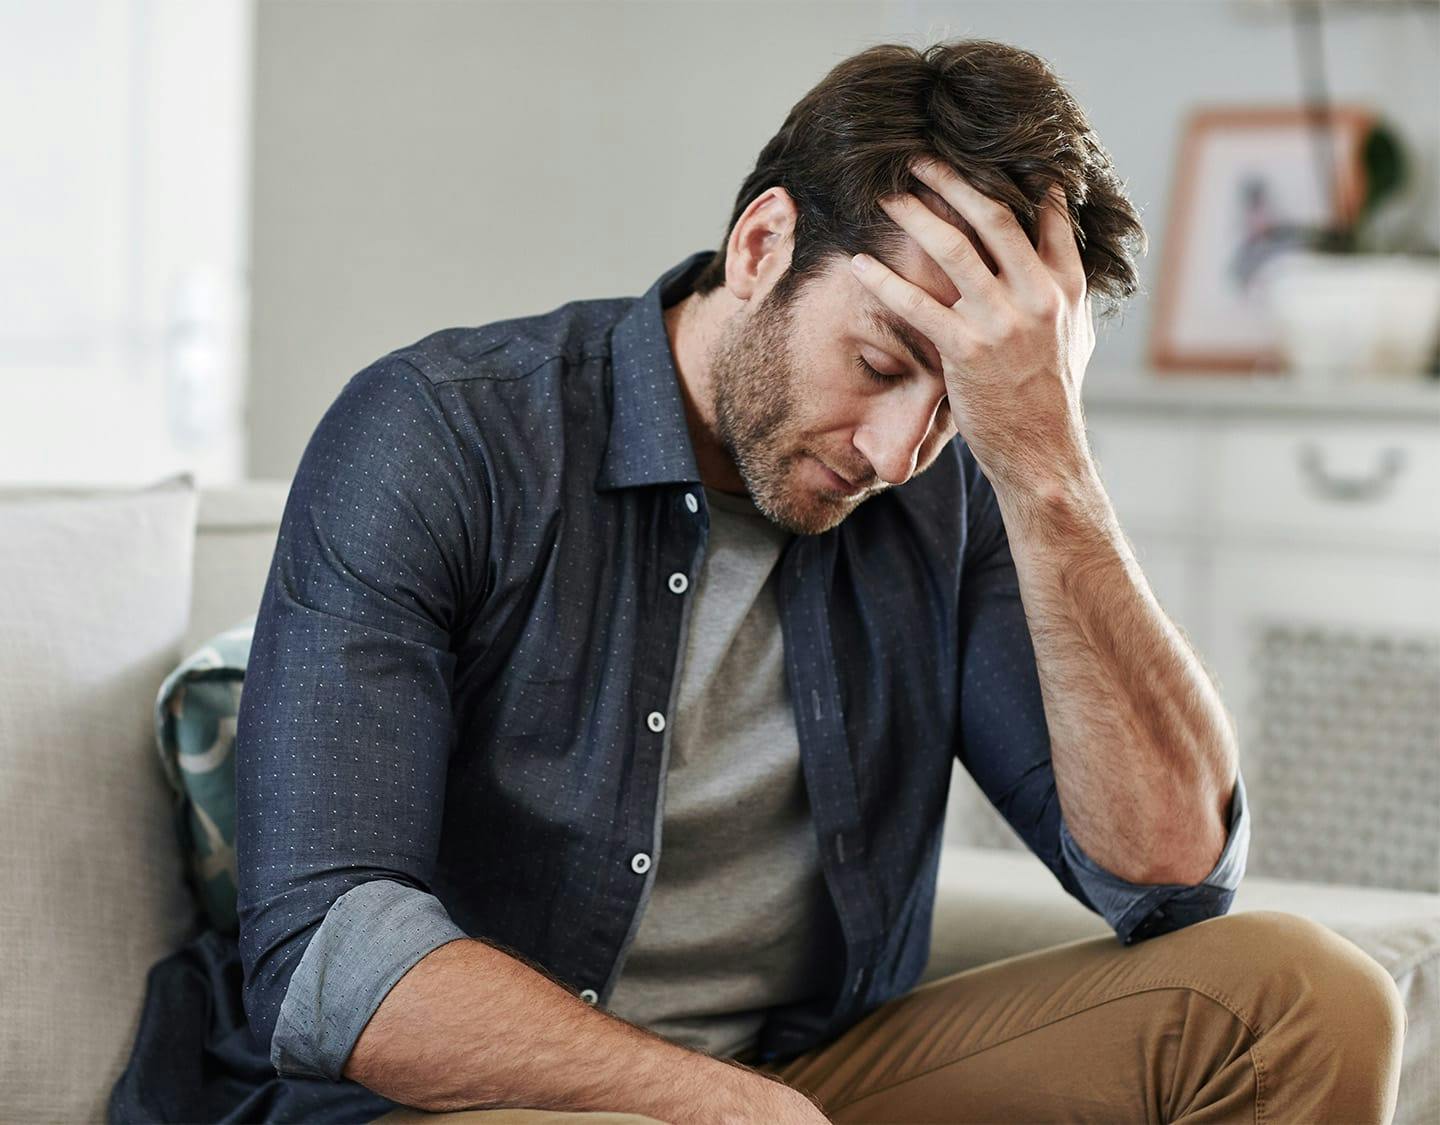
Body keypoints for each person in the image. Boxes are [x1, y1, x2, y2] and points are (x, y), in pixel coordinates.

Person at [232, 38, 1405, 1125]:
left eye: (958, 403)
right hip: (465, 1100)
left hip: (806, 1083)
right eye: (883, 364)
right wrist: (723, 1107)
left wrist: (1047, 463)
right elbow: (336, 958)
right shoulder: (441, 435)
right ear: (761, 248)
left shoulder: (960, 485)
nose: (898, 456)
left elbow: (1168, 884)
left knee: (1307, 1001)